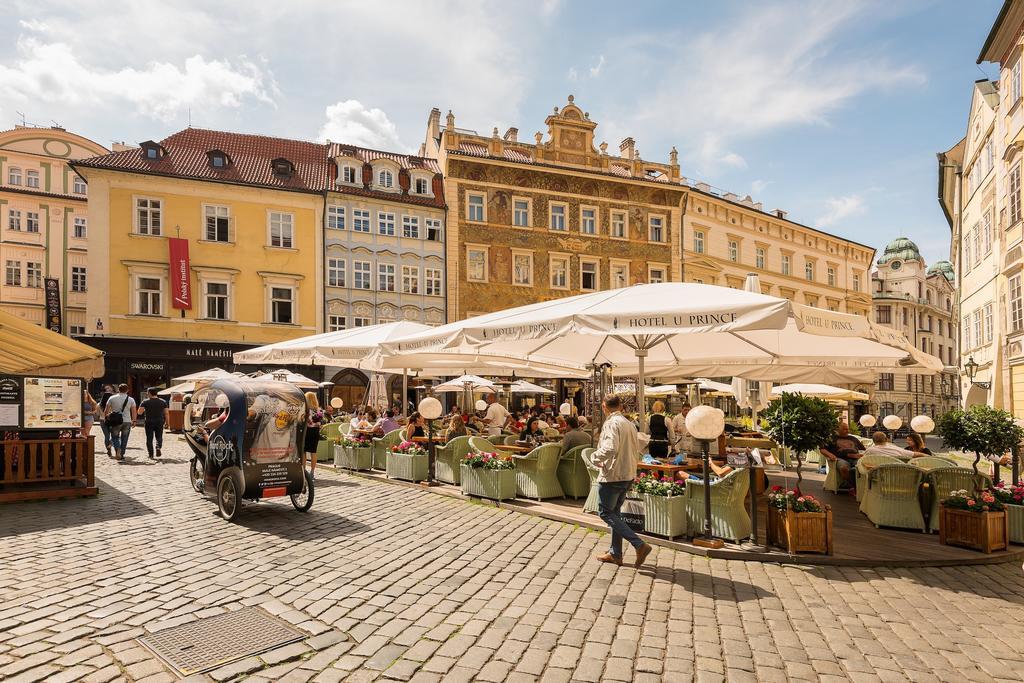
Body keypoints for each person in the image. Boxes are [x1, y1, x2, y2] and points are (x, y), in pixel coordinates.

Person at [588, 394, 653, 568]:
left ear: (604, 406)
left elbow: (610, 448)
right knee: (615, 513)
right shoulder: (629, 424)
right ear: (621, 407)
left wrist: (595, 457)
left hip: (613, 474)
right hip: (627, 473)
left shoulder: (611, 423)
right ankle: (615, 553)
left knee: (605, 513)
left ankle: (638, 544)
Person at [819, 422, 866, 490]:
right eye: (845, 429)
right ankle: (853, 485)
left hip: (855, 458)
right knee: (844, 468)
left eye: (848, 429)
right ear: (837, 429)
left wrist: (861, 455)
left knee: (862, 467)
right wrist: (829, 454)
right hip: (840, 458)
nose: (848, 431)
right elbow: (822, 449)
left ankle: (855, 485)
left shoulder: (853, 438)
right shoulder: (831, 438)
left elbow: (863, 450)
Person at [104, 384, 136, 461]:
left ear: (118, 389)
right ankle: (121, 454)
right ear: (127, 390)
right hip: (127, 421)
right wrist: (134, 420)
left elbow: (106, 410)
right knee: (124, 438)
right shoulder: (131, 399)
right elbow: (134, 411)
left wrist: (106, 417)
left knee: (115, 437)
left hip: (115, 421)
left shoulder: (112, 398)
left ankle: (117, 449)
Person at [137, 387, 167, 459]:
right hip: (159, 421)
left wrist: (145, 410)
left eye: (147, 392)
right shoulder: (163, 401)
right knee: (159, 436)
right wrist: (167, 422)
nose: (147, 394)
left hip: (149, 422)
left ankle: (151, 454)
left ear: (149, 393)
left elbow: (139, 412)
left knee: (149, 438)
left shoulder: (145, 402)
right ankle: (158, 447)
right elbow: (166, 413)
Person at [303, 392, 325, 479]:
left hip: (307, 431)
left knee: (303, 451)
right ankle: (312, 472)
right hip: (315, 432)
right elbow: (321, 423)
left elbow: (305, 421)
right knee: (313, 452)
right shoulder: (319, 410)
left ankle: (304, 471)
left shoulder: (305, 409)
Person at [98, 384, 114, 457]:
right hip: (111, 420)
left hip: (102, 420)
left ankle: (108, 450)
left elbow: (98, 413)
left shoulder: (99, 405)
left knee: (106, 435)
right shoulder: (112, 404)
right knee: (114, 435)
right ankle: (110, 444)